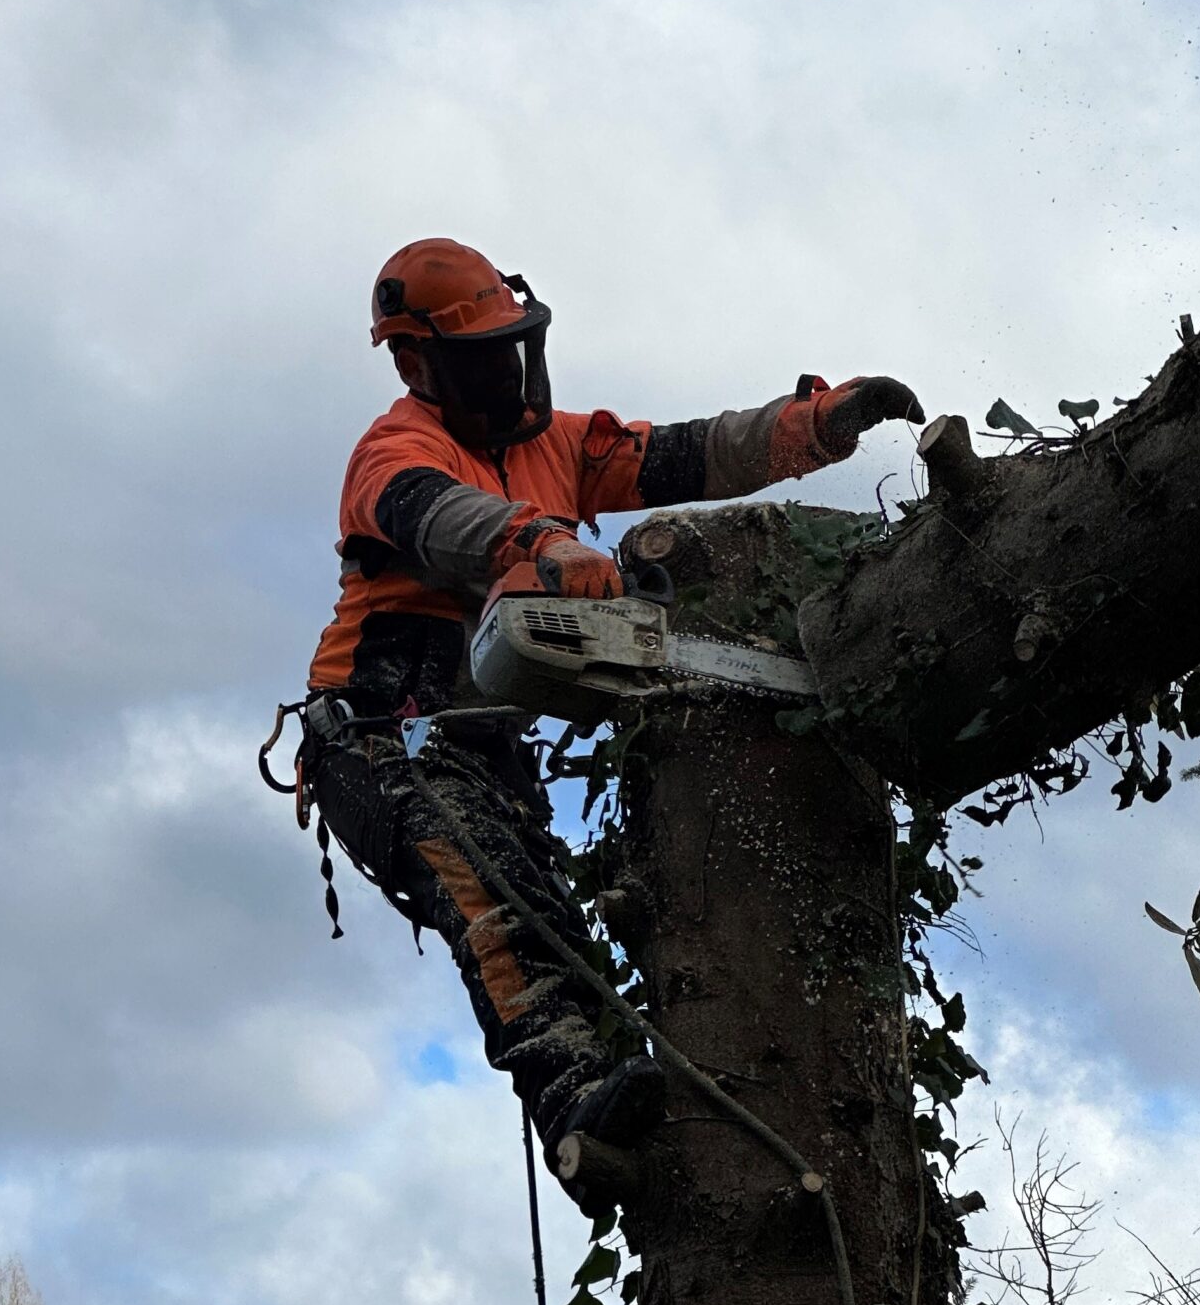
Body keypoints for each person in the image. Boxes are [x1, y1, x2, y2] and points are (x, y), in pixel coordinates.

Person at [298, 237, 921, 1195]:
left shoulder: (559, 442)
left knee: (547, 908)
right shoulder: (395, 453)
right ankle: (572, 1104)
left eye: (509, 347)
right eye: (480, 356)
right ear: (419, 364)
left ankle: (635, 1122)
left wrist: (811, 427)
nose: (505, 371)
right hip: (379, 729)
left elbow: (686, 453)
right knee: (493, 901)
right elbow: (434, 513)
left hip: (483, 736)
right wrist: (539, 539)